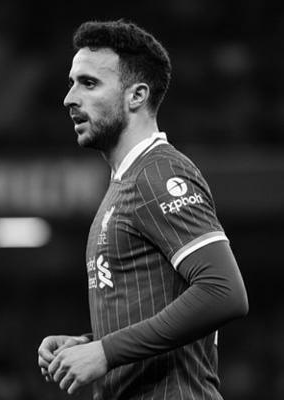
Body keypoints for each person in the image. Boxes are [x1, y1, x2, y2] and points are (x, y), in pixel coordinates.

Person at [38, 20, 248, 399]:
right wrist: (89, 343)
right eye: (71, 83)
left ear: (136, 96)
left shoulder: (159, 172)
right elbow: (153, 308)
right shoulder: (125, 182)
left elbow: (223, 291)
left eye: (88, 83)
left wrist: (105, 351)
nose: (69, 98)